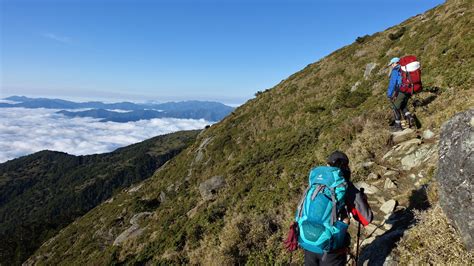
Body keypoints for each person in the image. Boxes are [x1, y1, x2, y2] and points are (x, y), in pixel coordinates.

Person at [299, 151, 373, 266]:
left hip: (309, 242)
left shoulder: (316, 183)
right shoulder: (345, 186)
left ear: (328, 165)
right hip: (331, 248)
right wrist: (363, 200)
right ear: (346, 166)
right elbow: (366, 218)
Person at [386, 57, 415, 131]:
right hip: (409, 89)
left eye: (392, 64)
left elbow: (392, 84)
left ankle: (398, 126)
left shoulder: (396, 70)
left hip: (402, 90)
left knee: (395, 107)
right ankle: (410, 118)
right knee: (402, 105)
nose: (391, 66)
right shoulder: (405, 68)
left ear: (395, 63)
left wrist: (389, 94)